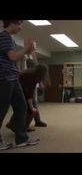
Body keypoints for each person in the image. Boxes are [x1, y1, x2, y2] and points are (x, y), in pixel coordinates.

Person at [0, 20, 40, 150]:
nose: (21, 27)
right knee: (1, 110)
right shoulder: (4, 36)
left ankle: (21, 138)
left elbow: (13, 58)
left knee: (22, 107)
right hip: (5, 79)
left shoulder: (9, 39)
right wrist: (26, 49)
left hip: (13, 78)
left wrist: (29, 51)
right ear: (12, 22)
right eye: (19, 24)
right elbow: (12, 57)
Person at [6, 64, 48, 132]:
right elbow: (30, 93)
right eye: (45, 72)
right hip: (18, 89)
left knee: (32, 105)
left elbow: (36, 82)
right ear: (41, 72)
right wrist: (31, 107)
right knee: (29, 110)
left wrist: (41, 83)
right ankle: (21, 127)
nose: (46, 74)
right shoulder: (32, 76)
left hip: (20, 87)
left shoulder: (35, 72)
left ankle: (38, 121)